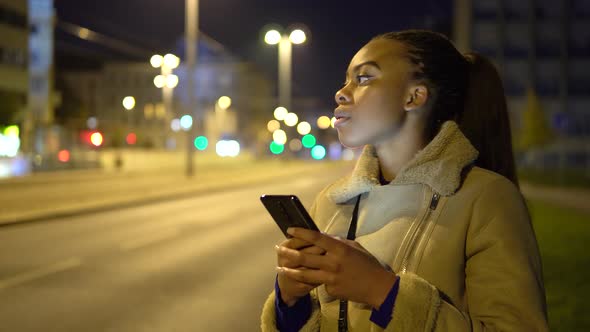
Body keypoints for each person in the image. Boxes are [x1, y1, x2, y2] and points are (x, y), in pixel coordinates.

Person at [260, 30, 549, 331]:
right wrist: (290, 304)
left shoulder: (486, 198)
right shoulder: (332, 201)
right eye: (346, 79)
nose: (341, 93)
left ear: (414, 96)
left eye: (363, 78)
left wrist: (382, 291)